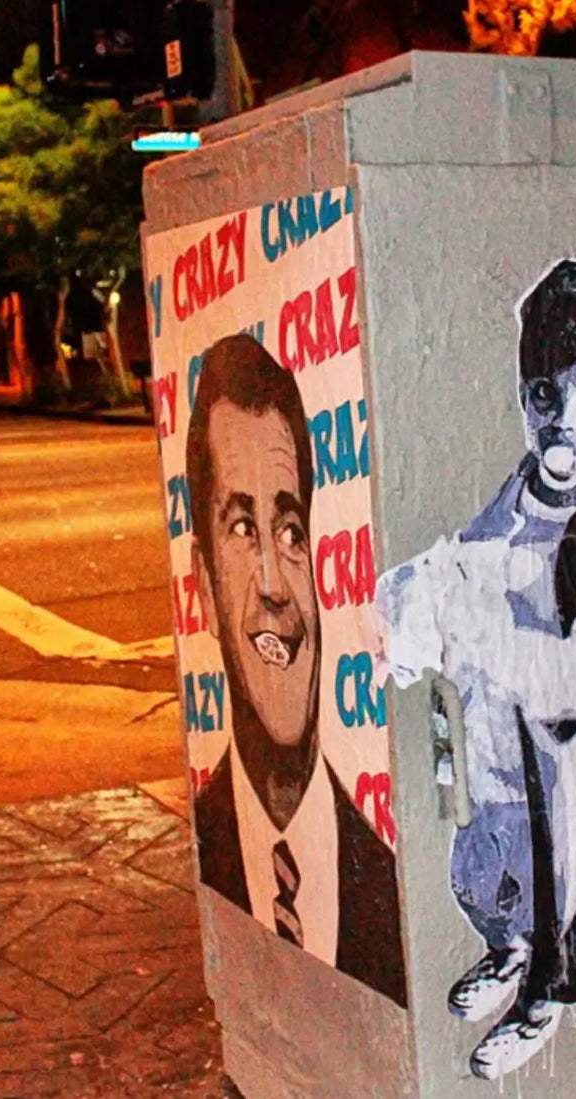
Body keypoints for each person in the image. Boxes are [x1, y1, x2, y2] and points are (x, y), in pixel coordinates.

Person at [378, 260, 576, 1079]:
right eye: (544, 396)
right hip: (501, 758)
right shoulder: (522, 494)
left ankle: (545, 991)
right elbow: (468, 559)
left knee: (558, 883)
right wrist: (418, 600)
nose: (564, 423)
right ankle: (509, 948)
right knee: (483, 862)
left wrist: (477, 622)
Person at [187, 333, 405, 1007]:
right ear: (204, 586)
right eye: (242, 530)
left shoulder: (392, 882)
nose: (275, 584)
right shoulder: (209, 837)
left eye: (289, 530)